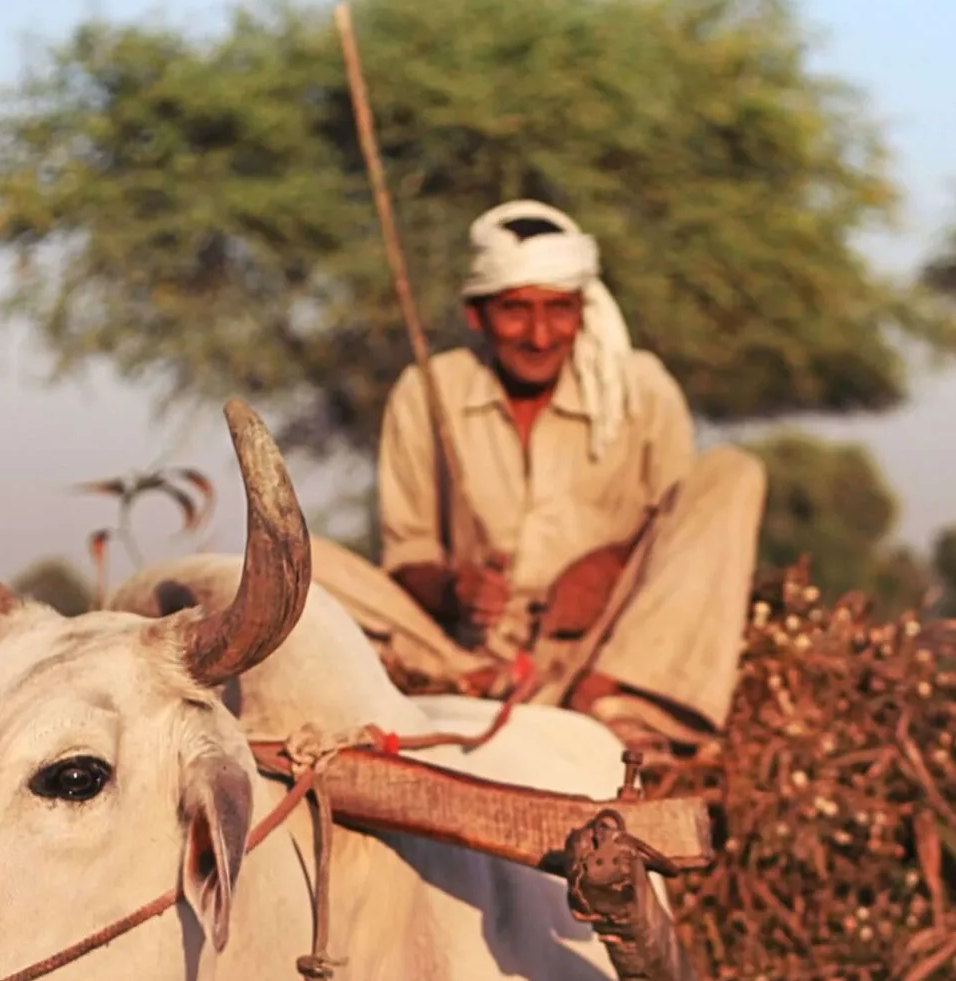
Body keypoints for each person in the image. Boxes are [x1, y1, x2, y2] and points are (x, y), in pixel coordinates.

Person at [309, 200, 764, 751]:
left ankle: (616, 698)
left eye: (559, 309)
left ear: (583, 310)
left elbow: (680, 540)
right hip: (462, 651)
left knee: (734, 473)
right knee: (305, 563)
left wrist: (611, 566)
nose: (541, 335)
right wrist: (455, 589)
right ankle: (469, 686)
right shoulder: (428, 389)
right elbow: (408, 559)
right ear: (477, 314)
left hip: (605, 646)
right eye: (516, 310)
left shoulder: (641, 389)